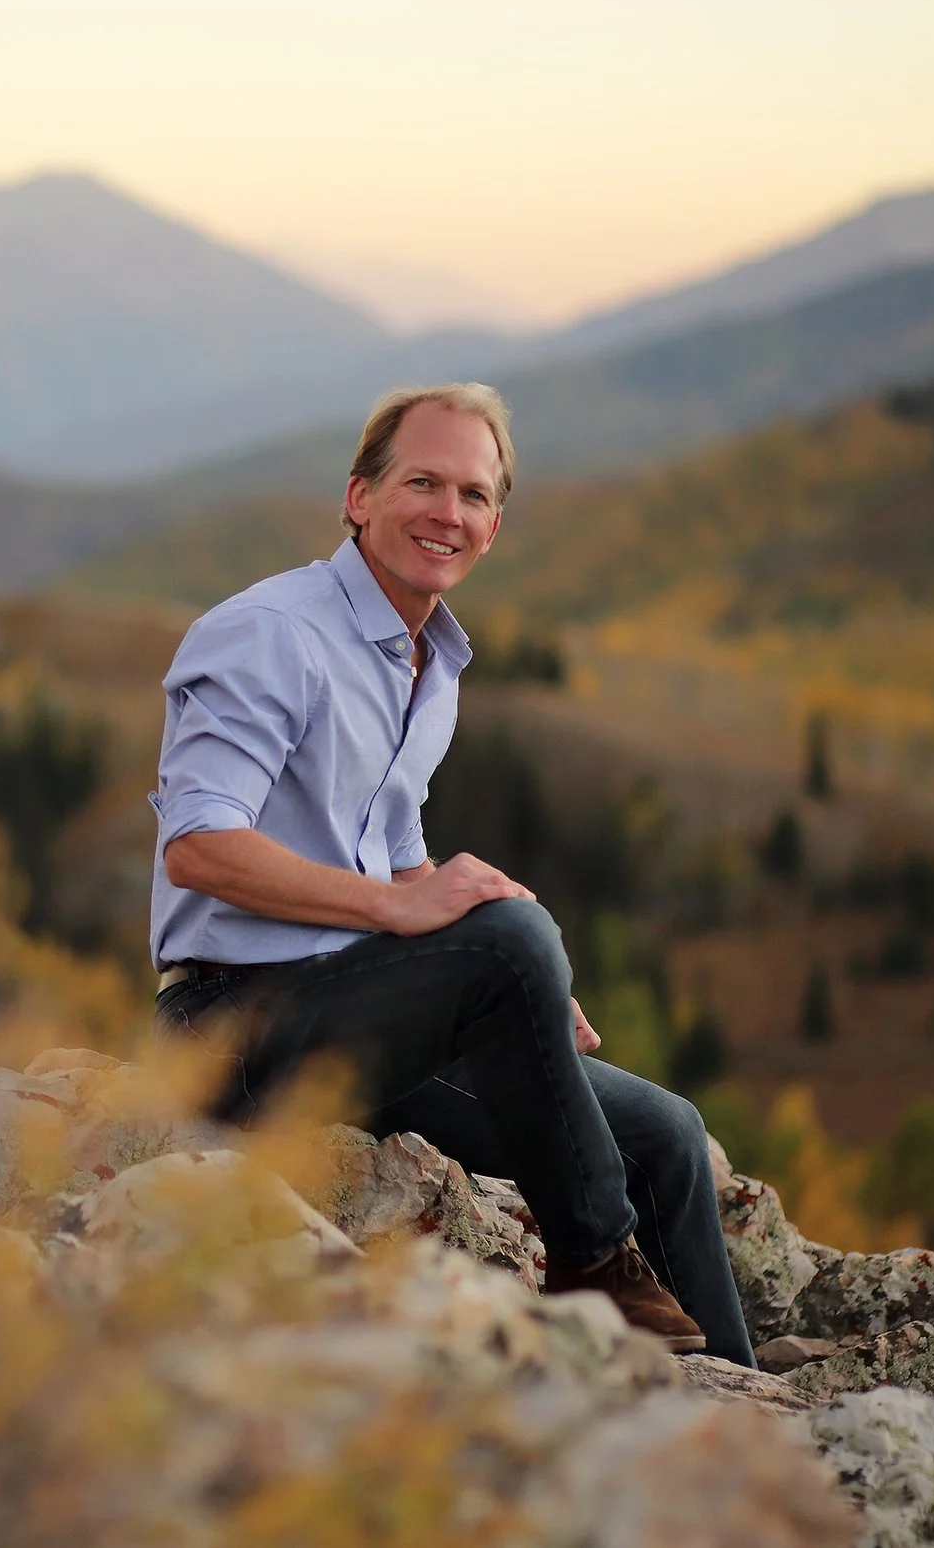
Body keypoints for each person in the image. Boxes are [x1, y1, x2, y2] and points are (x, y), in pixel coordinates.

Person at [148, 382, 753, 1364]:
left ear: (493, 528)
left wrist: (522, 988)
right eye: (422, 482)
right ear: (359, 496)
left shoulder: (427, 663)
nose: (448, 511)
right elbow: (200, 843)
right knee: (512, 939)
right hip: (232, 1025)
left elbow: (398, 856)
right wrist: (439, 924)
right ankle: (593, 1261)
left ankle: (737, 1405)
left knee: (667, 1131)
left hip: (356, 1017)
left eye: (473, 494)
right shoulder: (272, 632)